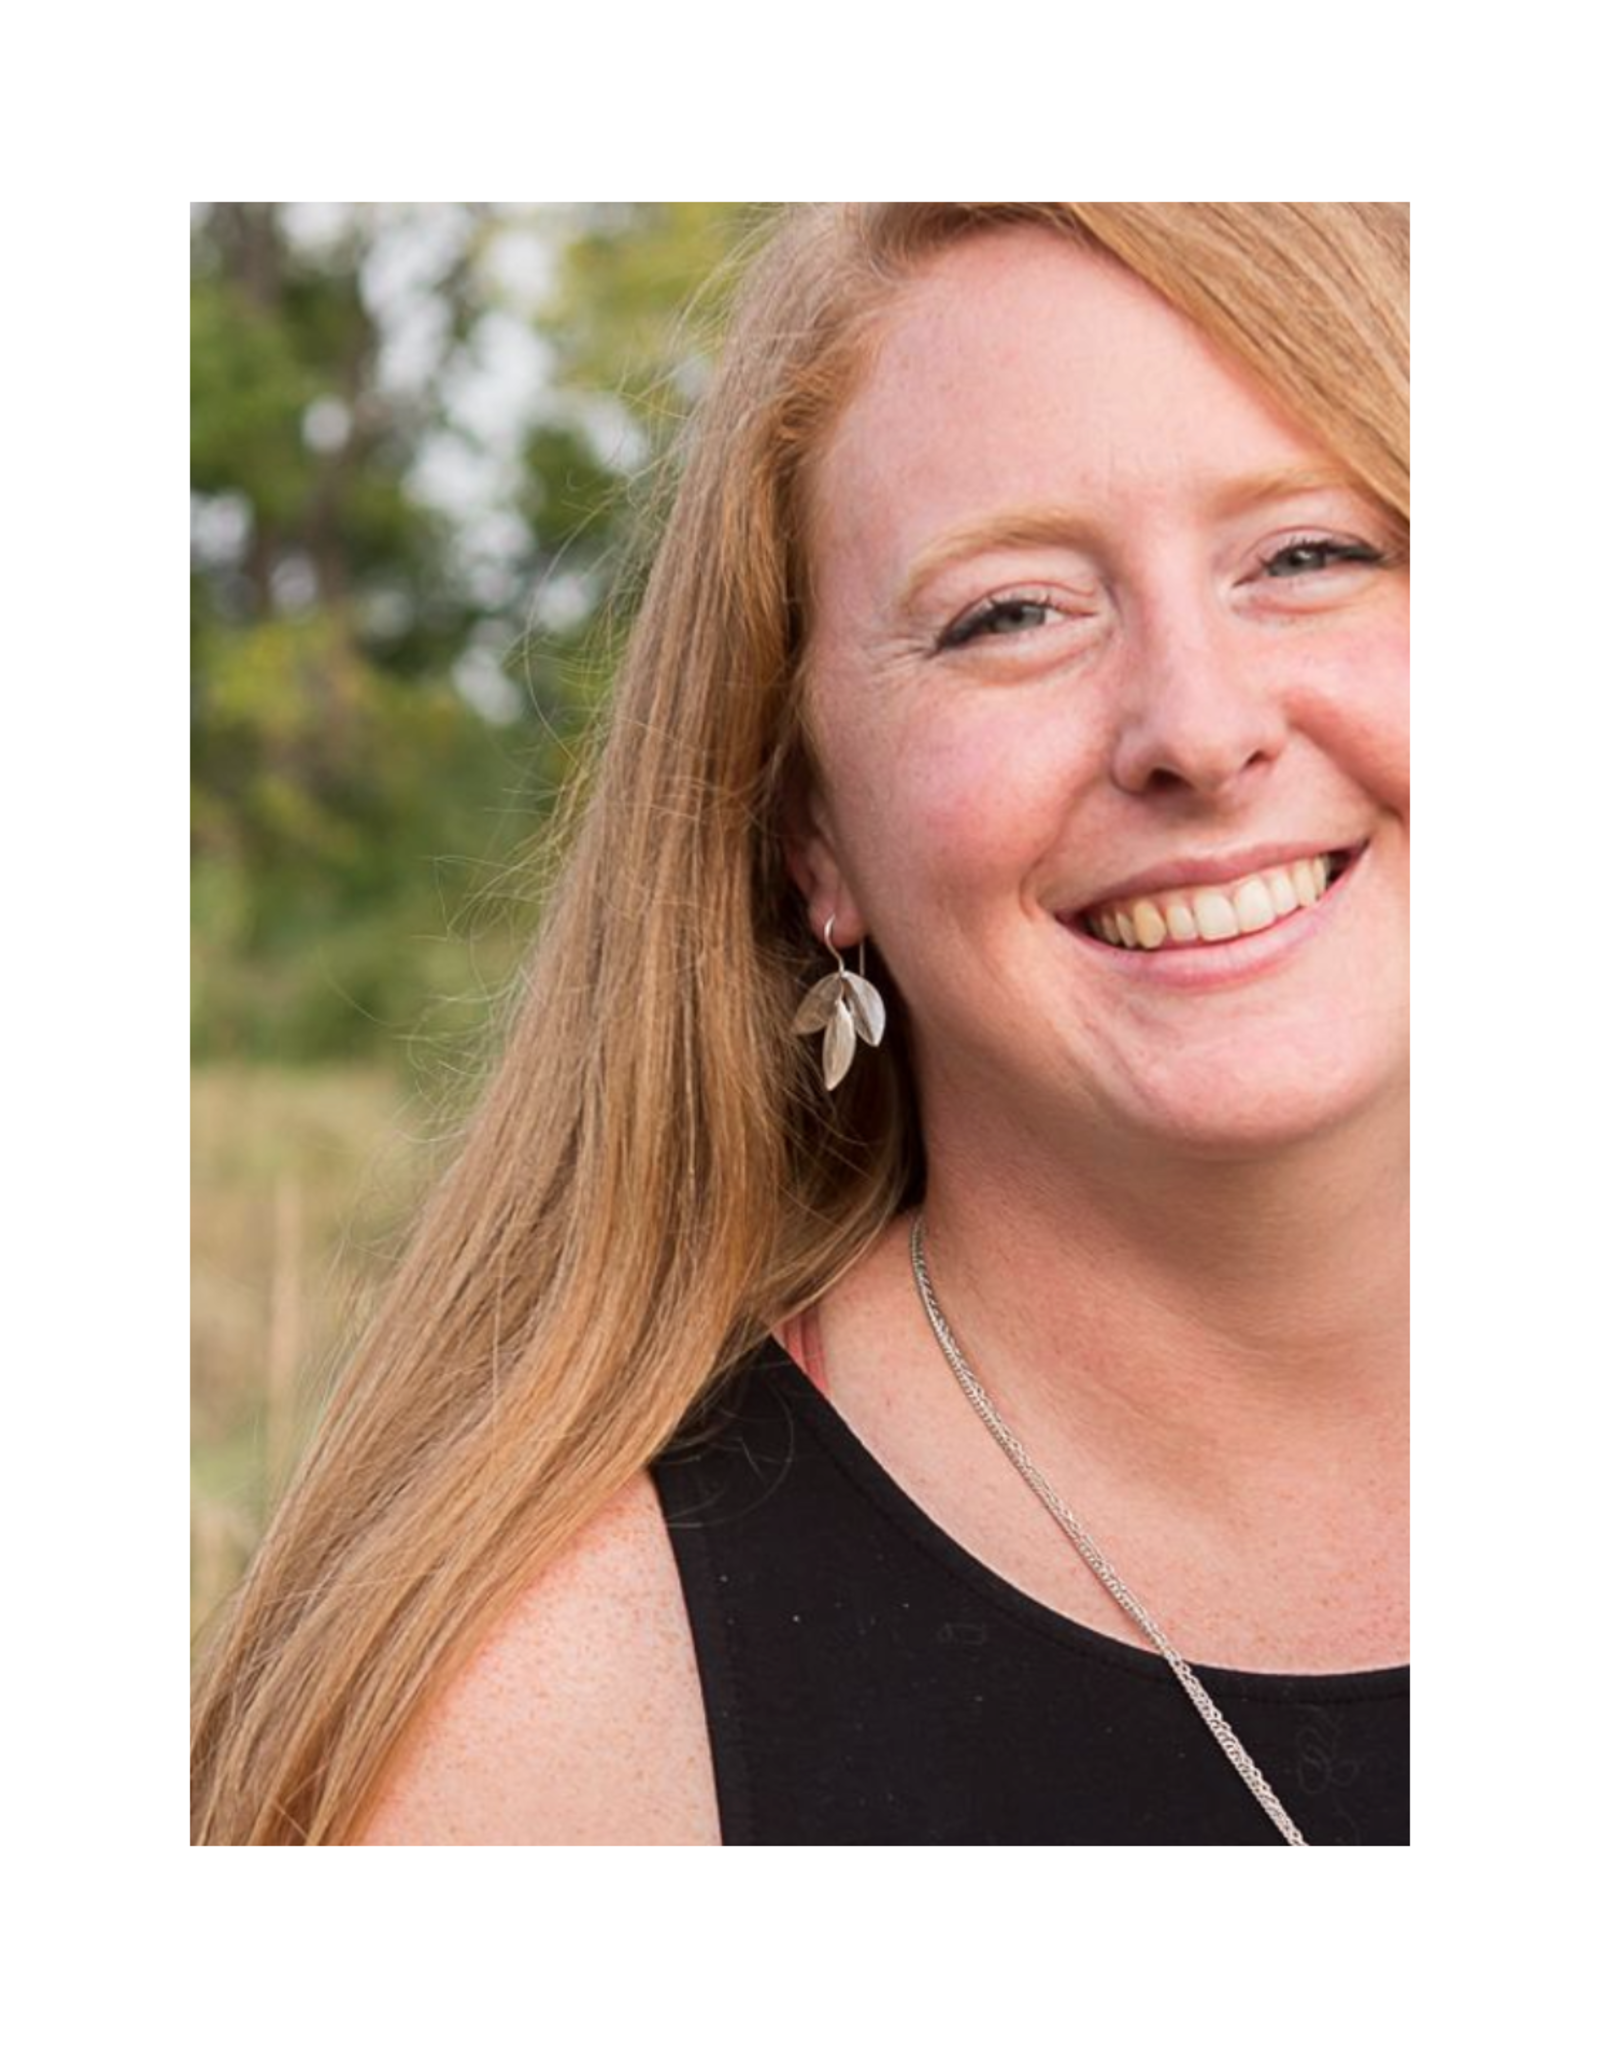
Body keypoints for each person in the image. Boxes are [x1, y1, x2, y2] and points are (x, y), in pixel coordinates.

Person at [191, 203, 1408, 1846]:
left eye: (1312, 554)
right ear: (811, 836)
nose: (1197, 725)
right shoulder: (544, 1754)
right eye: (1012, 613)